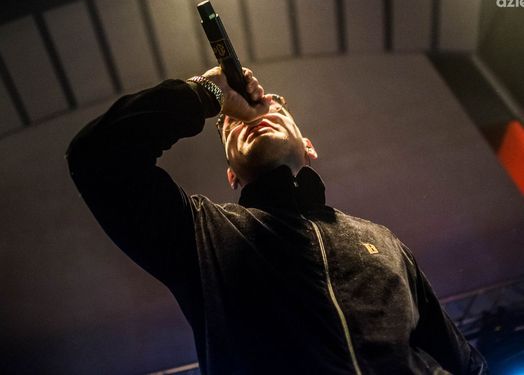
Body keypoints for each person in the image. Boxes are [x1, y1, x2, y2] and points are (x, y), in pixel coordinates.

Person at [67, 66, 487, 374]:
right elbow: (98, 155)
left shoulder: (383, 240)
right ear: (232, 176)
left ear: (308, 147)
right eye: (233, 123)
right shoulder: (201, 233)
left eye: (272, 108)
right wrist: (207, 94)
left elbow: (462, 360)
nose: (254, 114)